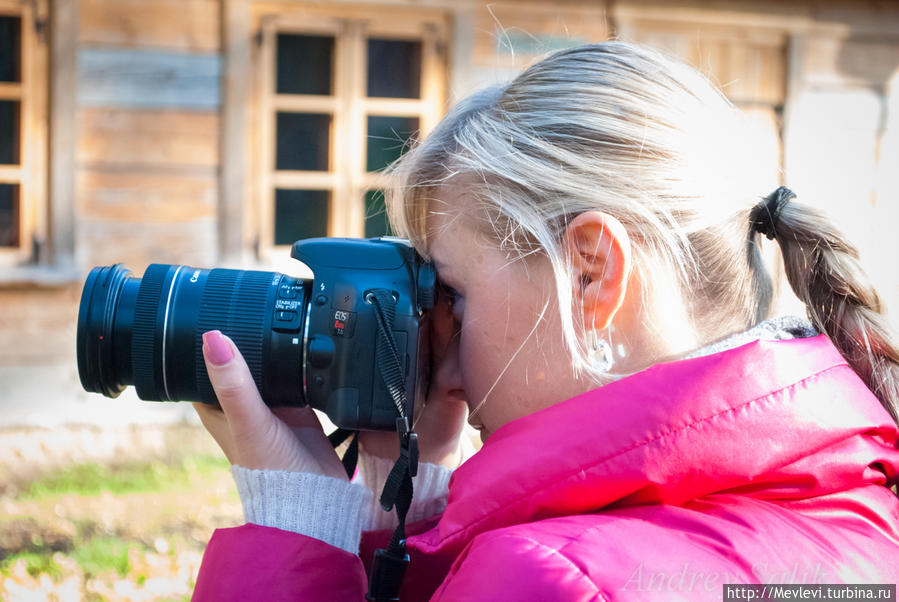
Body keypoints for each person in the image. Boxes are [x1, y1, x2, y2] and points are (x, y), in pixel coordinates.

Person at [191, 42, 899, 601]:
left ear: (589, 272)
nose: (434, 342)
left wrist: (293, 522)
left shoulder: (543, 577)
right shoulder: (866, 513)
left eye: (451, 294)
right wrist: (400, 499)